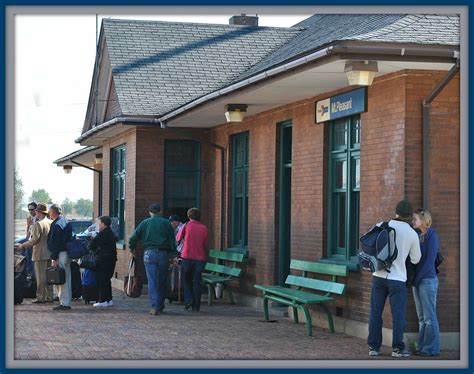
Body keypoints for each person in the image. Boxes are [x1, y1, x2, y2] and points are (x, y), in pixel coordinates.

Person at [367, 199, 421, 358]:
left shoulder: (382, 225)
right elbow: (416, 259)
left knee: (375, 312)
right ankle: (397, 349)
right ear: (410, 216)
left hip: (378, 275)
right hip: (398, 278)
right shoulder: (411, 233)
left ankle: (373, 347)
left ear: (396, 213)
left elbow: (369, 244)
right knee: (398, 315)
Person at [129, 203, 176, 315]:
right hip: (163, 253)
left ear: (150, 212)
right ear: (159, 211)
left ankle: (155, 306)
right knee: (162, 280)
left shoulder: (145, 223)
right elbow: (172, 240)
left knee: (152, 281)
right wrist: (174, 254)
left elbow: (134, 237)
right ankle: (160, 305)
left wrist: (132, 249)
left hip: (149, 253)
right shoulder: (166, 223)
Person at [411, 208, 441, 357]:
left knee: (430, 317)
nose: (412, 221)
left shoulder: (432, 235)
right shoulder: (416, 235)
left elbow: (429, 262)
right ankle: (422, 347)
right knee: (422, 318)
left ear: (423, 220)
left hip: (428, 281)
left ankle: (432, 349)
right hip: (417, 282)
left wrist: (416, 279)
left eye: (415, 219)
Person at [17, 203, 53, 303]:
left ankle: (41, 297)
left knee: (40, 277)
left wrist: (22, 245)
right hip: (49, 253)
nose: (34, 213)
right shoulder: (50, 222)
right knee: (49, 277)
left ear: (39, 212)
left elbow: (34, 240)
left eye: (36, 211)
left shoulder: (38, 224)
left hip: (39, 254)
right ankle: (49, 297)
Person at [176, 207, 208, 312]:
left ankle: (188, 299)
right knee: (197, 282)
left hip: (187, 256)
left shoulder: (186, 226)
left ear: (189, 216)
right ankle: (196, 305)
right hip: (199, 258)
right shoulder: (204, 228)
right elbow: (205, 243)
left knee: (187, 280)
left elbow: (178, 238)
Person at [47, 204, 73, 311]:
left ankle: (65, 303)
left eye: (49, 212)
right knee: (66, 277)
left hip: (60, 253)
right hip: (67, 253)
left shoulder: (57, 224)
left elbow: (55, 242)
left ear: (53, 212)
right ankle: (65, 301)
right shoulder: (65, 221)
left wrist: (53, 257)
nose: (49, 214)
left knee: (61, 278)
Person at [88, 216, 117, 308]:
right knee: (107, 280)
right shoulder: (110, 233)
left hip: (103, 260)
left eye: (99, 223)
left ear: (103, 224)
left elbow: (92, 245)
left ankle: (103, 300)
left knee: (101, 280)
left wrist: (92, 240)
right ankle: (109, 300)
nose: (98, 225)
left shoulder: (103, 233)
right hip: (111, 260)